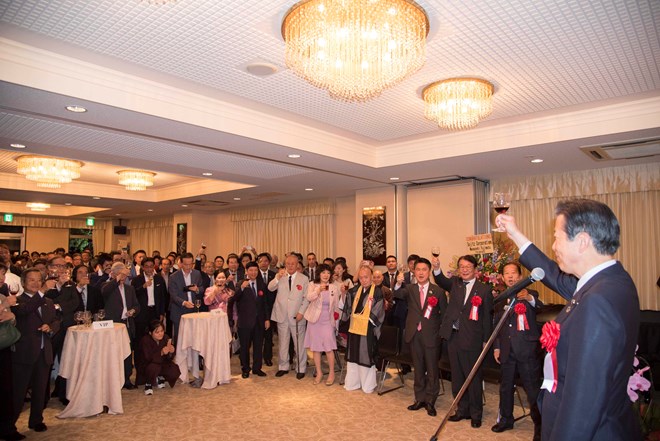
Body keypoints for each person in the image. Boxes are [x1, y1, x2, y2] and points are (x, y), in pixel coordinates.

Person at [496, 199, 642, 441]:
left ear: (582, 241)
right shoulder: (610, 281)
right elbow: (552, 274)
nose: (553, 246)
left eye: (557, 237)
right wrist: (515, 234)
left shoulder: (599, 300)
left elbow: (583, 401)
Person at [434, 254, 493, 428]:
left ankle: (476, 414)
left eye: (468, 266)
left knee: (473, 377)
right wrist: (436, 267)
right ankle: (462, 410)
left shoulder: (484, 289)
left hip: (473, 338)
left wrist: (485, 340)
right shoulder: (455, 284)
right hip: (453, 336)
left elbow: (487, 318)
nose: (465, 269)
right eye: (462, 266)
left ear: (475, 269)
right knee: (457, 376)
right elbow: (441, 280)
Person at [491, 261, 542, 439]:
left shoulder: (530, 293)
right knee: (505, 388)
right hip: (506, 350)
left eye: (514, 273)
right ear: (503, 277)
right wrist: (496, 347)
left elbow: (540, 306)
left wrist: (528, 297)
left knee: (532, 389)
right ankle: (506, 420)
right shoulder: (500, 298)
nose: (510, 276)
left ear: (520, 276)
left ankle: (540, 427)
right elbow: (496, 326)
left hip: (526, 350)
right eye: (507, 273)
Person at [394, 257, 447, 416]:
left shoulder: (437, 291)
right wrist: (397, 282)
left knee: (432, 369)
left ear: (429, 272)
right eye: (418, 270)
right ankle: (419, 398)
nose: (421, 273)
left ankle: (430, 401)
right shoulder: (409, 288)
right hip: (414, 334)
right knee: (418, 368)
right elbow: (396, 294)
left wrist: (440, 335)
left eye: (424, 270)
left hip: (431, 335)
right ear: (414, 272)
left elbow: (444, 314)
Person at [11, 268, 60, 434]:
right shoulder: (17, 301)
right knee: (18, 392)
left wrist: (50, 327)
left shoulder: (47, 301)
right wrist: (42, 291)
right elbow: (25, 311)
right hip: (23, 353)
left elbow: (55, 320)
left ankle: (36, 420)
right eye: (31, 280)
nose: (36, 283)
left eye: (39, 280)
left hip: (43, 351)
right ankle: (8, 427)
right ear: (23, 282)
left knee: (40, 390)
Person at [340, 266, 385, 393]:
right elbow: (347, 309)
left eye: (366, 277)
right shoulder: (353, 291)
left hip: (368, 329)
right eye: (361, 277)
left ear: (371, 277)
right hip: (354, 328)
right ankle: (353, 383)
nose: (363, 280)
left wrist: (366, 320)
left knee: (365, 355)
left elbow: (378, 310)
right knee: (353, 355)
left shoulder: (377, 292)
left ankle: (367, 385)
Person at [268, 254, 310, 379]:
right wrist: (277, 277)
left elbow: (306, 298)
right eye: (288, 264)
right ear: (285, 264)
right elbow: (270, 288)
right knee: (283, 342)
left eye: (293, 264)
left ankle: (300, 368)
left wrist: (301, 312)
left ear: (297, 265)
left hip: (297, 316)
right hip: (281, 315)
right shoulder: (281, 276)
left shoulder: (304, 279)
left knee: (299, 344)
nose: (290, 266)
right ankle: (283, 366)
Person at [102, 262, 140, 389]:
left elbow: (136, 305)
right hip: (113, 324)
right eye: (123, 274)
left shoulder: (130, 289)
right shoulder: (107, 286)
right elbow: (104, 292)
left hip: (127, 323)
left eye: (125, 274)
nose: (125, 277)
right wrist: (117, 278)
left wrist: (133, 311)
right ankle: (112, 379)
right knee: (113, 353)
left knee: (127, 352)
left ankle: (126, 378)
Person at [168, 253, 203, 387]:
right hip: (180, 313)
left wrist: (197, 290)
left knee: (194, 342)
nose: (188, 267)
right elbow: (173, 295)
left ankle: (194, 369)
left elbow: (202, 289)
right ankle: (181, 372)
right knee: (181, 342)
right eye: (186, 264)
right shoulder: (174, 277)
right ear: (181, 263)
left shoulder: (197, 274)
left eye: (191, 264)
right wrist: (184, 303)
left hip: (194, 312)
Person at [303, 264, 340, 386]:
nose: (326, 275)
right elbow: (309, 298)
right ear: (319, 274)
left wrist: (336, 322)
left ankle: (331, 373)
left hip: (327, 321)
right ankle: (319, 373)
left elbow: (336, 306)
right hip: (314, 321)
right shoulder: (312, 285)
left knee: (329, 348)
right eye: (323, 272)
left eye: (328, 273)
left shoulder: (334, 287)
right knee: (316, 348)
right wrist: (318, 290)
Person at [234, 262, 270, 378]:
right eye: (251, 270)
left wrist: (267, 319)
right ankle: (245, 369)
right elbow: (234, 299)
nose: (253, 273)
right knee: (244, 347)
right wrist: (242, 288)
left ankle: (257, 368)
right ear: (246, 271)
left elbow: (265, 303)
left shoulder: (261, 284)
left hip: (259, 321)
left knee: (258, 346)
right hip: (245, 322)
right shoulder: (240, 283)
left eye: (255, 270)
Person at [0, 267, 22, 441]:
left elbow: (12, 320)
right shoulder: (4, 300)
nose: (2, 278)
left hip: (5, 347)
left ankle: (7, 428)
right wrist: (5, 308)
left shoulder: (2, 297)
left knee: (6, 389)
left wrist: (11, 315)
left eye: (2, 274)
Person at [135, 320, 180, 396]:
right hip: (147, 365)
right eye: (157, 332)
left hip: (161, 363)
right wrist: (161, 353)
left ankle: (160, 376)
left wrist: (171, 352)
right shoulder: (145, 340)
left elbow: (169, 358)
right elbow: (147, 358)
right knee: (153, 367)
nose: (160, 334)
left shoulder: (165, 337)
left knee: (174, 370)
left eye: (162, 331)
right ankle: (148, 383)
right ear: (150, 332)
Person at [132, 257, 167, 342]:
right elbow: (133, 295)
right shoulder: (137, 280)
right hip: (142, 312)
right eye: (146, 266)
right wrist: (143, 287)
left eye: (151, 266)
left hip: (155, 311)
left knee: (155, 336)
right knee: (141, 337)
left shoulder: (159, 279)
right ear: (143, 267)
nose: (149, 269)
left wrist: (162, 312)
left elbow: (163, 297)